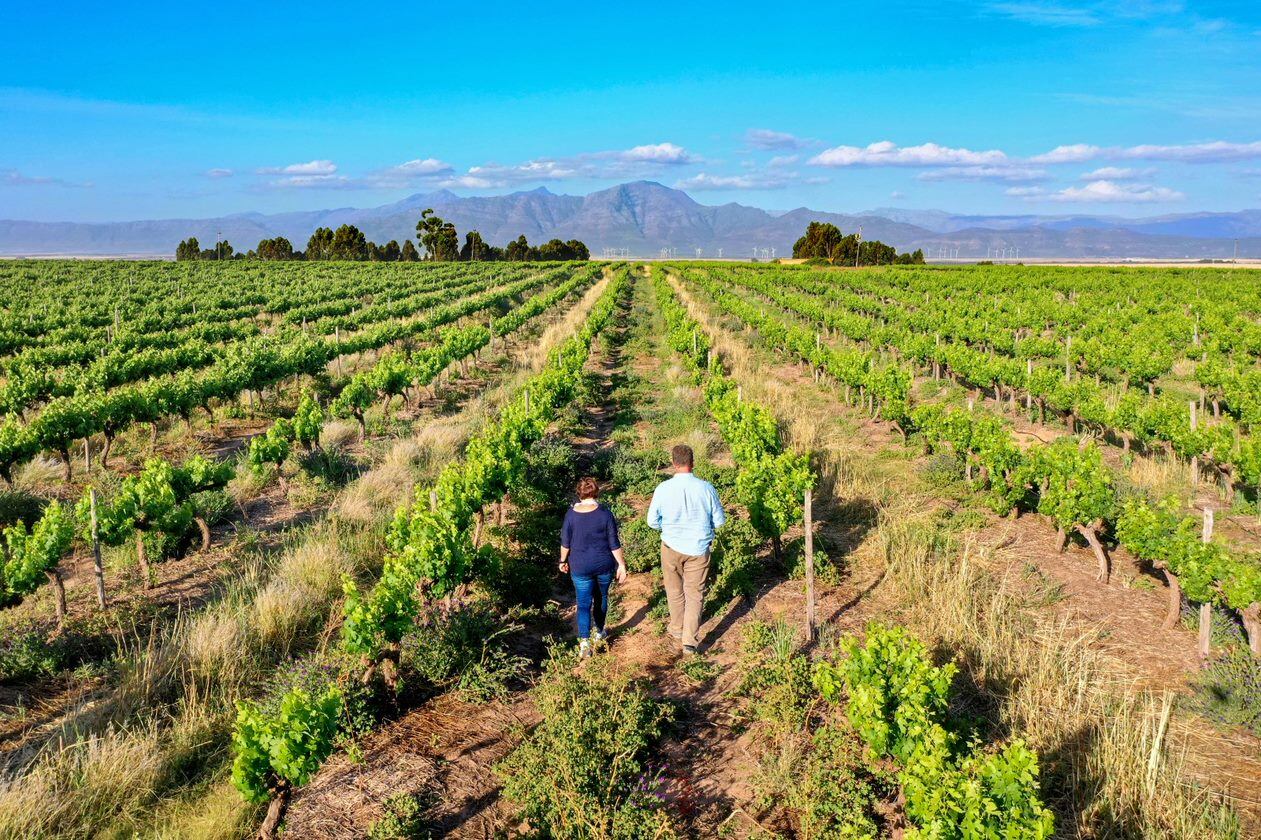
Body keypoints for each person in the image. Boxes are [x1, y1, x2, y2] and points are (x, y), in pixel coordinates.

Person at [646, 444, 726, 654]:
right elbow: (719, 521)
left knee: (674, 591)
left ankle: (676, 629)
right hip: (698, 548)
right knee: (695, 594)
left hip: (671, 546)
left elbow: (652, 521)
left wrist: (669, 527)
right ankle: (689, 641)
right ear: (693, 463)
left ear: (673, 464)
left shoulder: (663, 489)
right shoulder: (706, 488)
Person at [559, 476, 627, 658]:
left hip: (580, 566)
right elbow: (614, 543)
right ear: (596, 491)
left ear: (579, 493)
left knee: (583, 603)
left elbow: (565, 543)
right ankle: (599, 632)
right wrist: (621, 564)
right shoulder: (605, 513)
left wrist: (562, 561)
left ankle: (584, 643)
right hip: (603, 564)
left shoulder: (571, 515)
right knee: (601, 598)